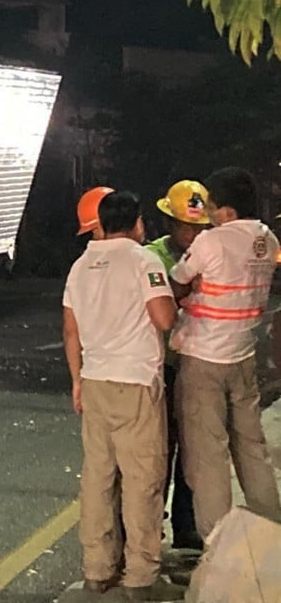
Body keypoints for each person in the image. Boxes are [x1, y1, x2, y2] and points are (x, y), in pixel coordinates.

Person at [63, 191, 185, 601]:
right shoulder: (143, 260)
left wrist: (77, 381)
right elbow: (164, 317)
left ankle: (97, 570)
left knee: (98, 479)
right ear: (137, 224)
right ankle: (140, 576)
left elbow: (70, 331)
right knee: (142, 481)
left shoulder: (80, 267)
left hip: (95, 383)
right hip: (135, 384)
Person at [168, 167, 281, 540]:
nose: (210, 215)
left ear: (227, 211)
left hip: (204, 358)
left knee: (208, 454)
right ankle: (270, 533)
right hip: (243, 354)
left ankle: (218, 545)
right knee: (252, 448)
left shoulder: (211, 243)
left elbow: (178, 283)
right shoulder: (268, 240)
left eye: (213, 207)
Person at [145, 180, 209, 550]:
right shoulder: (151, 256)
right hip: (163, 365)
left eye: (200, 227)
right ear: (169, 222)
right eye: (187, 226)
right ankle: (153, 523)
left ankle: (187, 525)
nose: (194, 234)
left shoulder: (211, 253)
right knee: (160, 449)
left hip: (198, 363)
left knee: (193, 449)